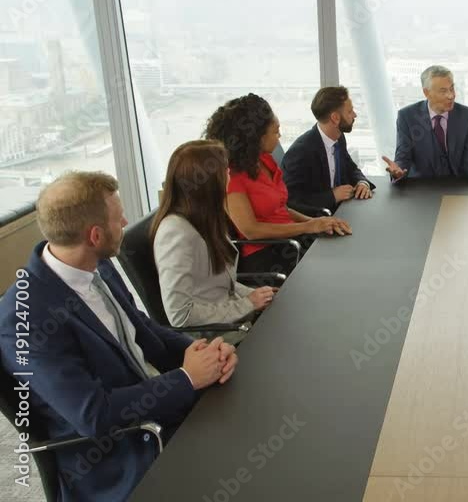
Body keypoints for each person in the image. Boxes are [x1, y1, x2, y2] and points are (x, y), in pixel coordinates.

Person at [0, 171, 238, 501]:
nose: (126, 220)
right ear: (95, 235)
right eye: (118, 217)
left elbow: (142, 328)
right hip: (123, 451)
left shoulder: (98, 264)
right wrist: (187, 378)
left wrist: (204, 351)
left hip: (160, 406)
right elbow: (93, 415)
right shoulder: (23, 318)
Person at [204, 93, 352, 275]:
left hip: (291, 239)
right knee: (336, 268)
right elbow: (251, 231)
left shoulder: (264, 160)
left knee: (345, 248)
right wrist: (308, 227)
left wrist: (317, 222)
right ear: (255, 137)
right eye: (275, 131)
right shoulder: (231, 177)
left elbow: (283, 208)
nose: (279, 135)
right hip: (267, 253)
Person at [152, 140, 278, 344]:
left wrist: (253, 294)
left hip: (234, 323)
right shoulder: (176, 233)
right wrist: (248, 304)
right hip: (216, 338)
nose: (229, 173)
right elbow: (180, 314)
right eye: (224, 169)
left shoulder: (205, 216)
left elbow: (217, 285)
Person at [382, 65, 468, 182]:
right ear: (426, 93)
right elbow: (403, 158)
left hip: (458, 188)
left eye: (452, 88)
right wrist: (397, 171)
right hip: (420, 189)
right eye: (443, 91)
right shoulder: (407, 116)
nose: (451, 96)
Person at [282, 86, 374, 213]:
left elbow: (350, 167)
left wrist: (362, 182)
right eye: (350, 111)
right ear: (335, 118)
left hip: (343, 211)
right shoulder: (301, 152)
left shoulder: (338, 138)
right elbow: (290, 200)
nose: (355, 115)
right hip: (318, 220)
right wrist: (332, 196)